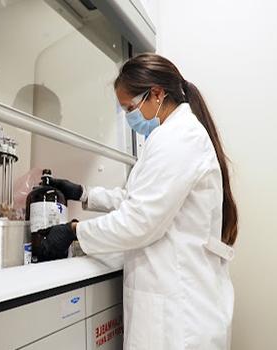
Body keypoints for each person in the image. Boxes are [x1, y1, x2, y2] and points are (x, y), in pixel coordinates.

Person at [40, 53, 238, 350]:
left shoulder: (178, 139)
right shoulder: (170, 136)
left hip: (180, 319)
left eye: (129, 108)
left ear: (156, 94)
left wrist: (74, 231)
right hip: (174, 305)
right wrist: (83, 193)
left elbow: (139, 221)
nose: (129, 117)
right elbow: (138, 199)